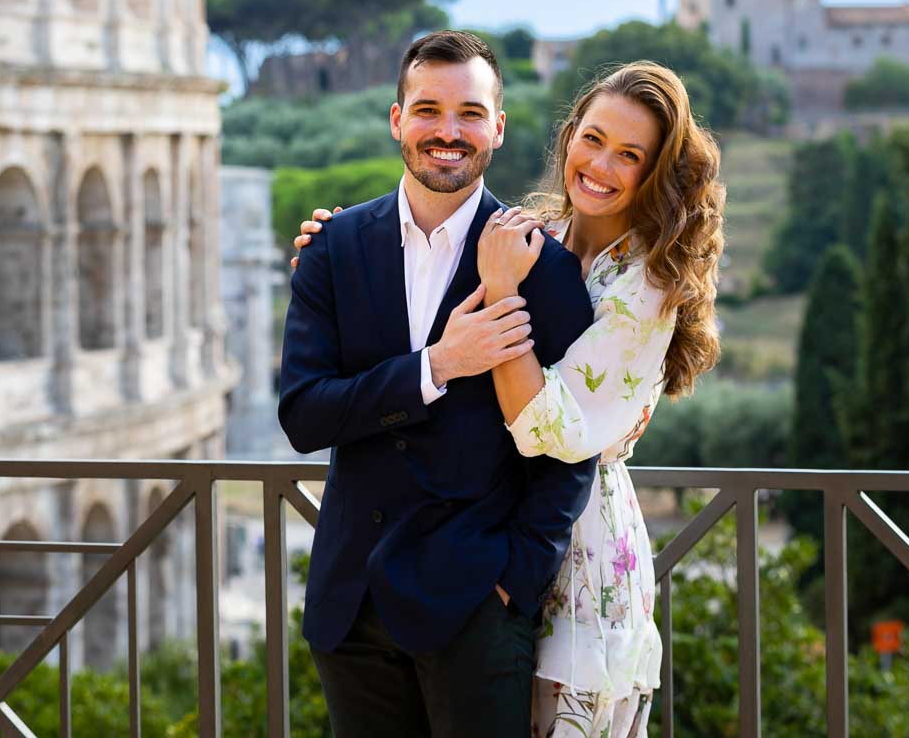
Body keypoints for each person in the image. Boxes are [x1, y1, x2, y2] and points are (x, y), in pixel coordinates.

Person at [295, 60, 726, 735]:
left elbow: (548, 429)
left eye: (629, 154)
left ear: (654, 171)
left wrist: (511, 582)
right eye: (593, 138)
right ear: (567, 137)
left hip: (570, 557)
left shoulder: (644, 286)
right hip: (461, 563)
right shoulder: (541, 236)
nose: (601, 164)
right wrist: (343, 244)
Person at [278, 29, 599, 737]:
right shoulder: (331, 249)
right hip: (349, 605)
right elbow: (304, 415)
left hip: (474, 612)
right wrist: (437, 367)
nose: (447, 132)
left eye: (470, 113)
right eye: (427, 110)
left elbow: (572, 447)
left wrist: (512, 580)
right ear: (397, 120)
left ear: (498, 129)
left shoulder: (543, 269)